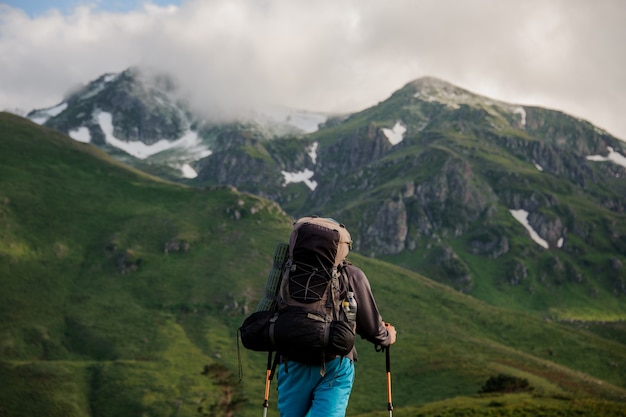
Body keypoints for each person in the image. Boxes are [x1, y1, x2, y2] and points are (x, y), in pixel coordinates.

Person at [276, 221, 397, 417]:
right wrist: (387, 336)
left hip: (292, 362)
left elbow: (273, 310)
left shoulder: (287, 271)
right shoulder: (352, 275)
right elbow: (372, 328)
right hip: (336, 364)